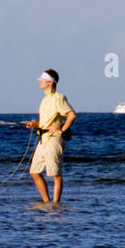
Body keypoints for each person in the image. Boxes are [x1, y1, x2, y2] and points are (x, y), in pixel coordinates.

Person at [25, 69, 76, 204]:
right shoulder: (44, 100)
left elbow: (72, 115)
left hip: (54, 139)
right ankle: (47, 202)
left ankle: (56, 204)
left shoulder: (59, 97)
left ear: (50, 82)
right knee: (34, 172)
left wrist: (62, 130)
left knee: (55, 174)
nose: (40, 81)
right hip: (43, 138)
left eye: (43, 79)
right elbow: (45, 122)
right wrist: (35, 124)